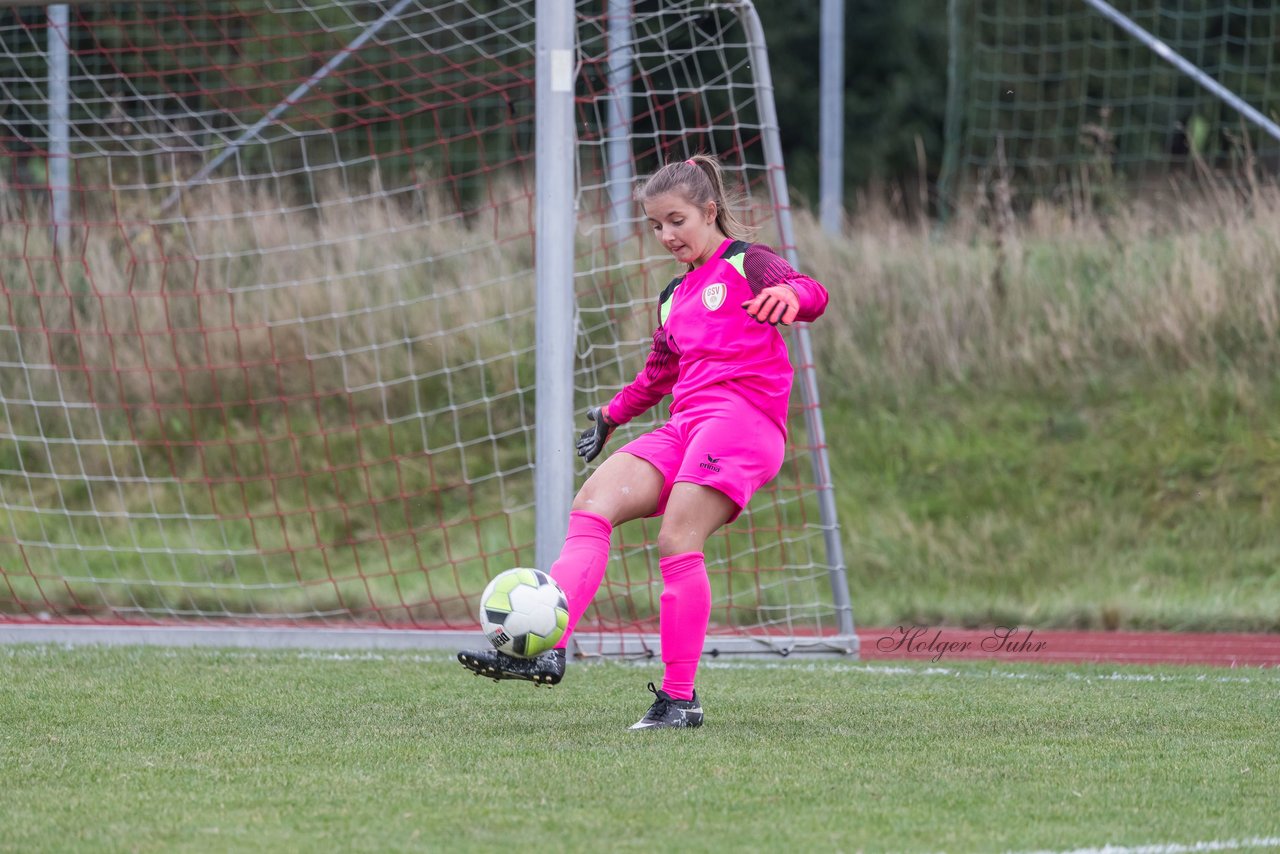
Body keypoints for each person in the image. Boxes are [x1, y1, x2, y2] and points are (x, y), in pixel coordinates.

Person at [458, 154, 829, 729]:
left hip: (744, 421)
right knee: (592, 505)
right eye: (656, 225)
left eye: (676, 220)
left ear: (709, 213)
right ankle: (551, 646)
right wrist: (609, 416)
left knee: (677, 537)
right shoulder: (673, 297)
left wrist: (795, 300)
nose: (666, 235)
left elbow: (809, 289)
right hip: (689, 423)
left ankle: (679, 700)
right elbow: (658, 375)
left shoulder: (747, 262)